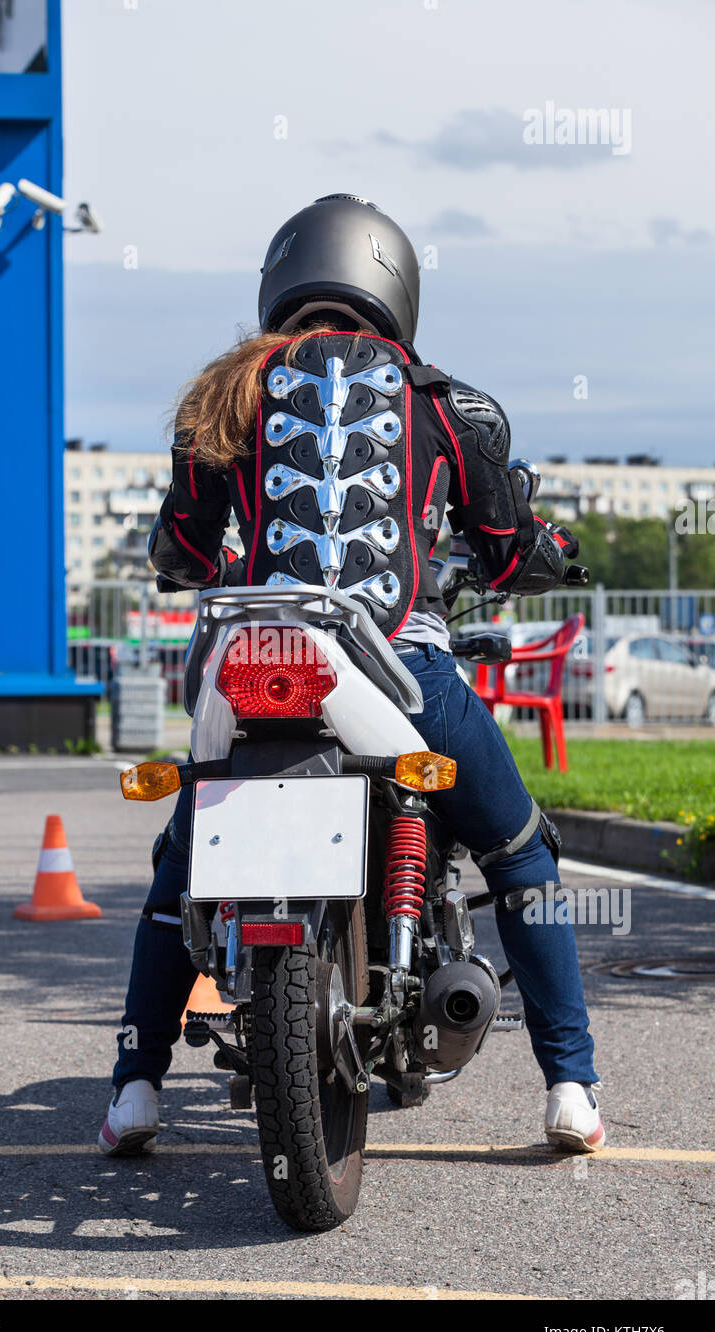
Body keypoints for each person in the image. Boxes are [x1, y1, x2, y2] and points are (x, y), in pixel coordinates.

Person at [98, 195, 604, 1160]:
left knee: (181, 864)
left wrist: (193, 560)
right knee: (519, 853)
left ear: (280, 285)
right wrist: (547, 551)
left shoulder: (225, 394)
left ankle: (135, 1087)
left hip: (251, 661)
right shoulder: (449, 403)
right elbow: (505, 550)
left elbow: (180, 542)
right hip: (403, 668)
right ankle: (571, 1086)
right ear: (396, 287)